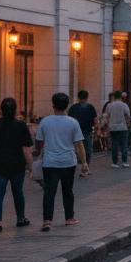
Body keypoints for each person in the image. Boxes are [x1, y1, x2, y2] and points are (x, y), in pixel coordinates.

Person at [34, 92, 88, 232]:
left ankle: (47, 220)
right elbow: (79, 144)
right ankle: (69, 218)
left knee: (49, 192)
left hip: (50, 162)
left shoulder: (45, 121)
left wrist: (40, 150)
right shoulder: (72, 122)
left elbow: (39, 142)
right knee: (67, 191)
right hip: (68, 162)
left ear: (53, 105)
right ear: (67, 106)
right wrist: (84, 162)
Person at [0, 97, 33, 231]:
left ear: (1, 110)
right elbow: (26, 149)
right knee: (18, 192)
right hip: (17, 164)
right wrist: (31, 167)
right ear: (15, 109)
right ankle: (20, 218)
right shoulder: (21, 125)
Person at [67, 90, 97, 176]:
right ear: (87, 97)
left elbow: (69, 120)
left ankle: (76, 168)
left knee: (75, 150)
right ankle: (85, 168)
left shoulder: (73, 107)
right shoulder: (90, 107)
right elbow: (95, 120)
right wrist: (96, 130)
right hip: (86, 132)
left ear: (78, 97)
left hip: (75, 132)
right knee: (87, 150)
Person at [104, 90, 131, 168]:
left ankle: (115, 162)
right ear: (121, 97)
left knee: (114, 145)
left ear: (114, 96)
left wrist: (106, 126)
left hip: (113, 127)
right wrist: (129, 125)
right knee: (124, 145)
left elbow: (106, 116)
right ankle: (124, 162)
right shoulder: (124, 105)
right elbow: (128, 116)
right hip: (123, 127)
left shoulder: (109, 105)